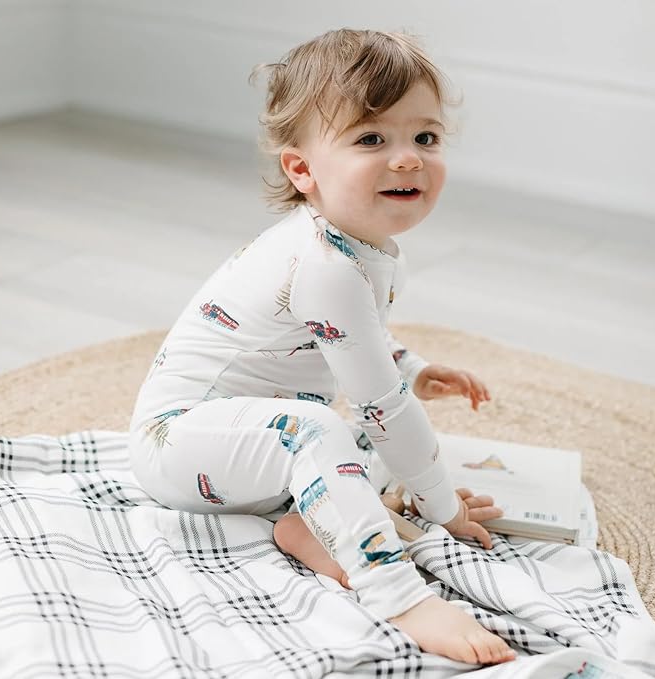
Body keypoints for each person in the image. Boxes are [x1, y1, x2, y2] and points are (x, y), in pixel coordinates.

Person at [128, 28, 516, 665]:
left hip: (246, 445)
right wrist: (441, 506)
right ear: (302, 169)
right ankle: (399, 596)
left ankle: (309, 529)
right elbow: (381, 405)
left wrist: (412, 369)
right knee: (335, 429)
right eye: (372, 140)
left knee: (366, 440)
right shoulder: (321, 264)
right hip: (178, 443)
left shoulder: (362, 247)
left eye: (425, 137)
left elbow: (356, 339)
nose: (408, 159)